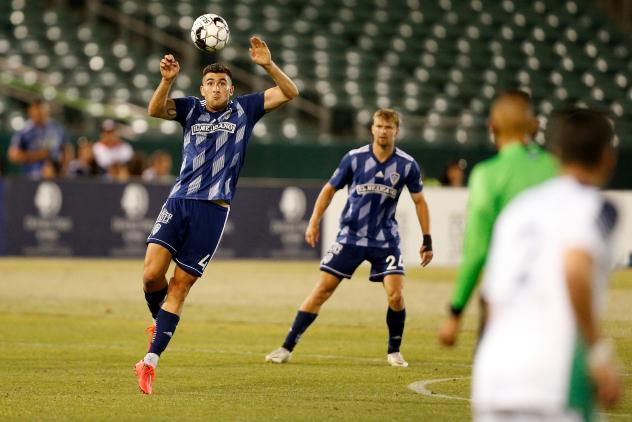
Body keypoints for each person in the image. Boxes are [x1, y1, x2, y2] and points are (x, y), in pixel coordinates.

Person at [134, 36, 298, 394]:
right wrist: (166, 80)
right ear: (201, 88)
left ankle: (149, 362)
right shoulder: (190, 109)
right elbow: (154, 110)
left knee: (180, 285)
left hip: (213, 210)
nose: (216, 87)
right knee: (150, 276)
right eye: (210, 82)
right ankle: (157, 320)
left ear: (232, 88)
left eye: (222, 82)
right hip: (179, 201)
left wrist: (268, 65)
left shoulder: (246, 109)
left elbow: (289, 92)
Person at [472, 107, 622, 421]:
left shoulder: (517, 210)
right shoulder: (598, 207)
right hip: (550, 381)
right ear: (608, 157)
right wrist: (598, 352)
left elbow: (490, 300)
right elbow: (575, 267)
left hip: (493, 380)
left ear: (556, 155)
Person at [265, 109, 433, 367]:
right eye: (378, 126)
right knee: (322, 290)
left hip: (385, 239)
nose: (383, 131)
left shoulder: (407, 164)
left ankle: (394, 350)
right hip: (351, 236)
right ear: (372, 128)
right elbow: (329, 190)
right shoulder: (354, 159)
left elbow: (420, 201)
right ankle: (286, 347)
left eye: (388, 127)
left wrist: (427, 239)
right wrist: (313, 221)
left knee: (396, 296)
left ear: (396, 131)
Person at [439, 90, 559, 347]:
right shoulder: (556, 167)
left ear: (491, 127)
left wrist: (455, 311)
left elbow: (476, 251)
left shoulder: (487, 175)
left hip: (505, 300)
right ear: (534, 125)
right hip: (555, 301)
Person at [8, 99, 68, 179]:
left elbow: (67, 149)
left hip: (55, 177)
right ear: (30, 112)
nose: (40, 114)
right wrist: (38, 155)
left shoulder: (56, 128)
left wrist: (64, 168)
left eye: (43, 110)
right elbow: (13, 155)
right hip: (31, 177)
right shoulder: (24, 131)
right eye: (37, 111)